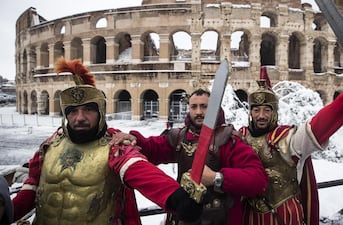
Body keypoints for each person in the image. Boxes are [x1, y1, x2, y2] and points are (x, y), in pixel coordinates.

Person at [10, 57, 202, 225]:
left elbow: (137, 168)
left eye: (88, 110)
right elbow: (32, 186)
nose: (80, 118)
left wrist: (175, 198)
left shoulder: (114, 144)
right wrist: (7, 211)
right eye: (73, 111)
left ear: (100, 113)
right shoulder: (50, 145)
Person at [239, 60, 343, 225]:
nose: (261, 115)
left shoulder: (289, 139)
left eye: (267, 110)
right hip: (248, 217)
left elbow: (323, 123)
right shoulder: (239, 139)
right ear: (250, 112)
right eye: (256, 110)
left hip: (284, 217)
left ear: (274, 112)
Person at [110, 88, 268, 225]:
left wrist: (217, 178)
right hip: (183, 216)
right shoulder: (179, 136)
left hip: (219, 218)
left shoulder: (228, 139)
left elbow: (258, 179)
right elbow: (152, 149)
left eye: (204, 106)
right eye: (194, 107)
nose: (198, 112)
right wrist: (133, 139)